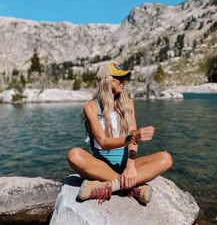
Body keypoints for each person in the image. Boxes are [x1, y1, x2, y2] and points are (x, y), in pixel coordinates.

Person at [67, 63, 172, 204]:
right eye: (119, 78)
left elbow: (133, 138)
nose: (124, 81)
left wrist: (130, 166)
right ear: (106, 80)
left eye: (124, 78)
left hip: (125, 163)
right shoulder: (91, 107)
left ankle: (110, 186)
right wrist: (131, 138)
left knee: (166, 158)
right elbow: (103, 142)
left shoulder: (128, 103)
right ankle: (133, 188)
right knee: (74, 155)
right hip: (100, 167)